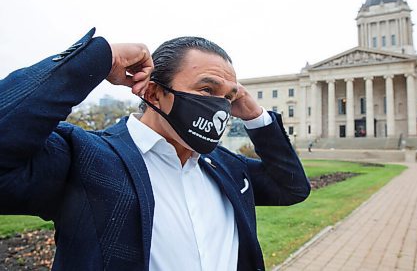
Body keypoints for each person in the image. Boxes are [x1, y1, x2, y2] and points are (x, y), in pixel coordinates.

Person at [0, 28, 310, 271]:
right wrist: (97, 57)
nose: (220, 107)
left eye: (227, 98)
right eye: (206, 90)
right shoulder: (84, 158)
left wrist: (256, 117)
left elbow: (292, 187)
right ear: (153, 93)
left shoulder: (226, 168)